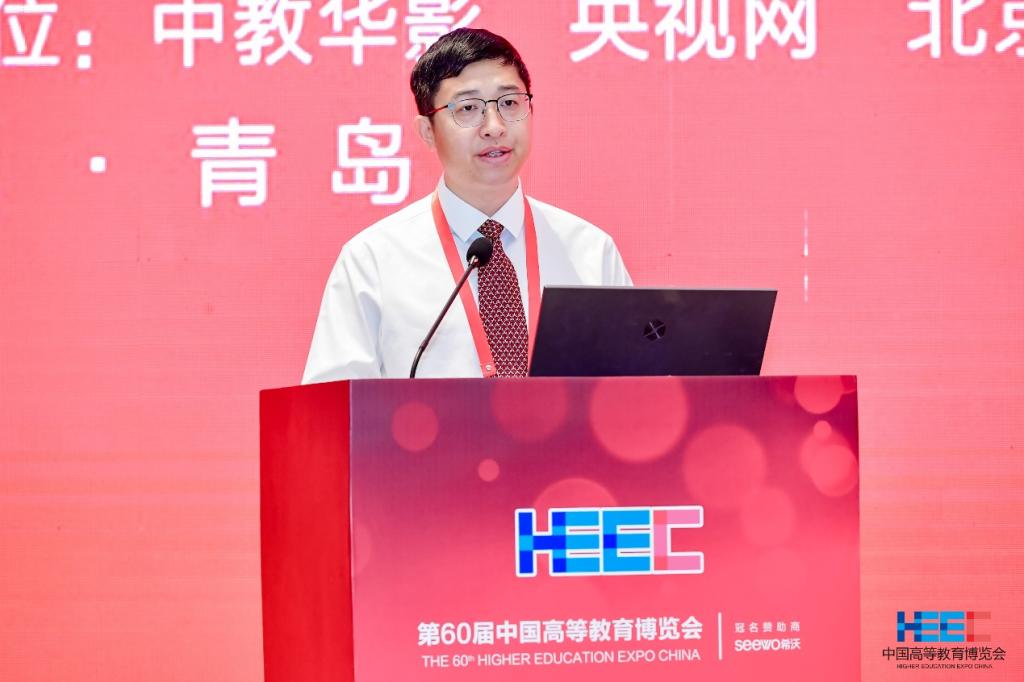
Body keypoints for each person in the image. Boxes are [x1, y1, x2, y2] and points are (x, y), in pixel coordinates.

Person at [302, 28, 631, 382]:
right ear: (427, 131)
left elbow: (635, 390)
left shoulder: (590, 252)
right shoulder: (373, 261)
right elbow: (332, 404)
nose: (494, 127)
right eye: (468, 108)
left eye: (510, 103)